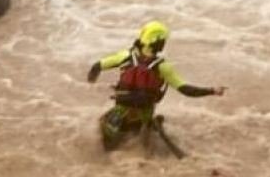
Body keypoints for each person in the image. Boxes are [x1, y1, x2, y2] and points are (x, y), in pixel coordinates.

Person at [87, 21, 227, 151]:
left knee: (107, 147)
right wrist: (212, 91)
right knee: (141, 152)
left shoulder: (124, 56)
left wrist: (90, 85)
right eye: (163, 41)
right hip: (144, 119)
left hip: (118, 116)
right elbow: (186, 90)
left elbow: (96, 67)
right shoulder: (162, 67)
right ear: (158, 43)